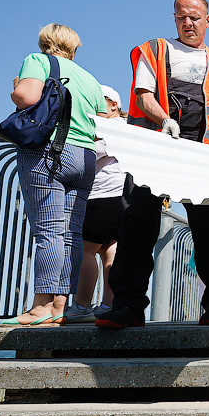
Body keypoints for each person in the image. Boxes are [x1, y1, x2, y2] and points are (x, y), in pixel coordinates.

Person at [97, 0, 209, 329]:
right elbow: (144, 95)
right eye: (181, 18)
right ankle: (128, 307)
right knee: (137, 222)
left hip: (204, 156)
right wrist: (164, 119)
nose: (188, 23)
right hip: (157, 149)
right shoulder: (156, 49)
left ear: (208, 20)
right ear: (174, 19)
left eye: (194, 17)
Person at [0, 24, 105, 326]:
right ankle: (61, 306)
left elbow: (26, 97)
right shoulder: (90, 79)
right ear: (75, 47)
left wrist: (15, 88)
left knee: (48, 230)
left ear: (45, 42)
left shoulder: (39, 60)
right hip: (85, 159)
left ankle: (40, 307)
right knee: (71, 235)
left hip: (49, 152)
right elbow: (101, 118)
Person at [65, 85, 128, 323]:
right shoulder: (127, 127)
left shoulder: (110, 128)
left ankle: (81, 306)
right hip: (121, 197)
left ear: (114, 105)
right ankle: (108, 305)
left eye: (98, 102)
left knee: (85, 251)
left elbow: (88, 153)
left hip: (102, 196)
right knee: (109, 252)